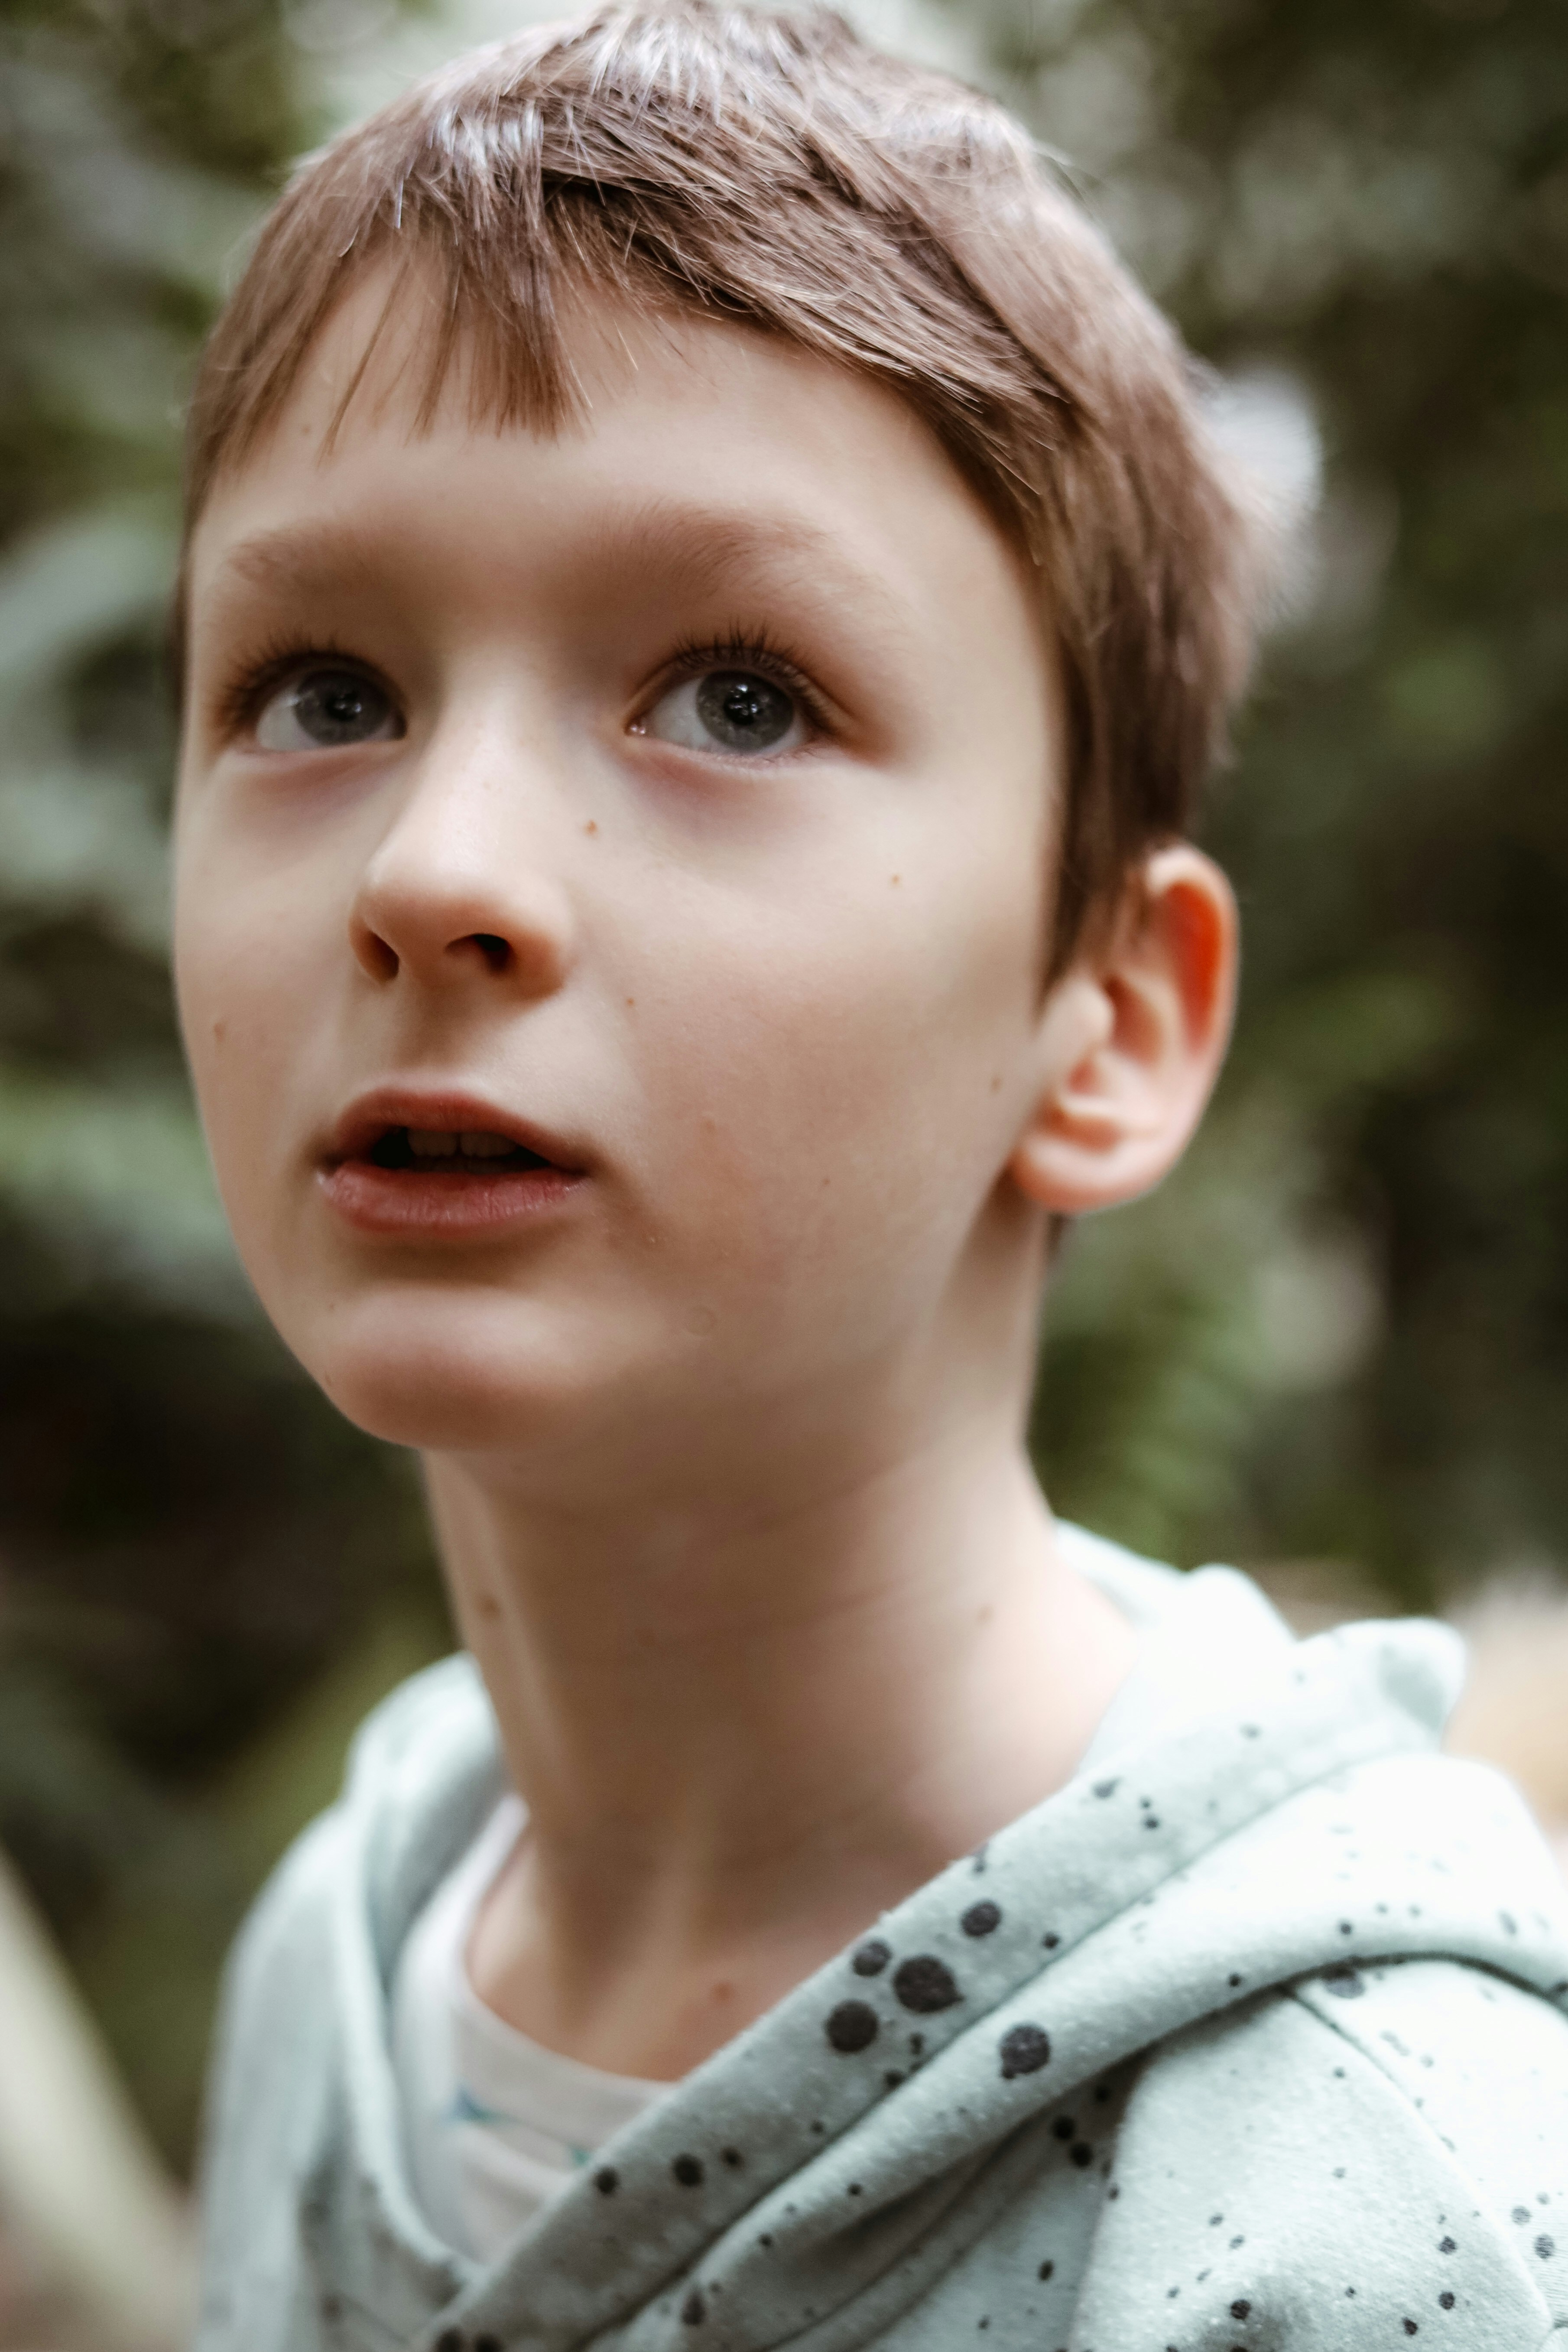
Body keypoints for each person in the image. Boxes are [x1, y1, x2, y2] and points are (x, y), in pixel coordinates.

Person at [174, 7, 1568, 2346]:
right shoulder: (339, 1959)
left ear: (1105, 1019)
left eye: (735, 695)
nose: (436, 867)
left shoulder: (1368, 2196)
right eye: (325, 692)